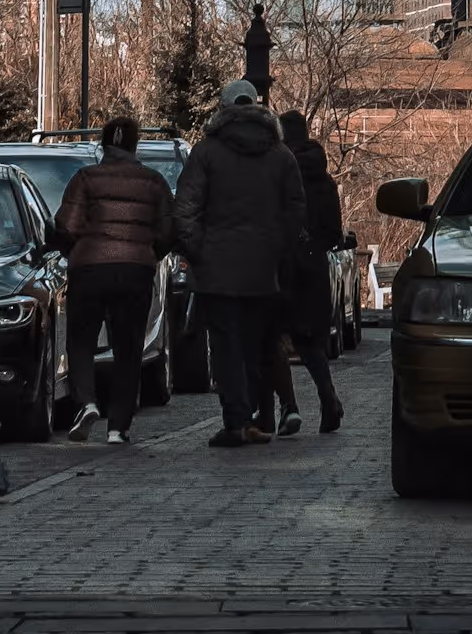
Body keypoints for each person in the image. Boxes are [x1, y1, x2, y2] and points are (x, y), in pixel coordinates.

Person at [173, 76, 305, 448]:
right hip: (263, 269)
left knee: (226, 346)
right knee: (252, 345)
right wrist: (276, 250)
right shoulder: (281, 155)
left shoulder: (207, 152)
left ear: (224, 108)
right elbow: (296, 211)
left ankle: (237, 420)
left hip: (217, 269)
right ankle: (249, 418)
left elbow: (185, 209)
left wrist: (198, 250)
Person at [51, 115, 177, 446]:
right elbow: (167, 232)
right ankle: (118, 427)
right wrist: (149, 254)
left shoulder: (85, 179)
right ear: (135, 145)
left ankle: (87, 402)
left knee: (81, 341)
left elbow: (66, 225)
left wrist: (73, 252)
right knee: (128, 348)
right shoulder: (154, 183)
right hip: (135, 271)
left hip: (89, 268)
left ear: (104, 144)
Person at [269, 109, 345, 435]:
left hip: (283, 263)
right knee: (309, 340)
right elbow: (334, 232)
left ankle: (287, 408)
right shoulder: (324, 179)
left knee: (271, 336)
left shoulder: (279, 170)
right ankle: (328, 398)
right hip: (314, 265)